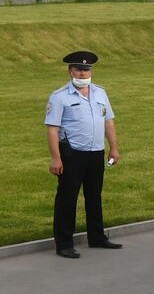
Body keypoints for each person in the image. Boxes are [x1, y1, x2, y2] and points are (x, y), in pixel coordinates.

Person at [44, 51, 122, 258]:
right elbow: (53, 129)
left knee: (94, 196)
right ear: (70, 71)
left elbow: (108, 121)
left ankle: (96, 237)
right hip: (72, 154)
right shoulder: (60, 96)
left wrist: (113, 147)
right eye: (78, 69)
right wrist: (56, 158)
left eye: (86, 69)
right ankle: (64, 244)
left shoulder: (100, 93)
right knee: (67, 199)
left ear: (91, 71)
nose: (82, 73)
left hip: (96, 152)